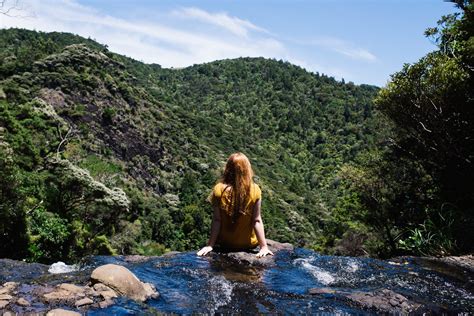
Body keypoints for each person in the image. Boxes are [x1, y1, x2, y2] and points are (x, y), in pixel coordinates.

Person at [197, 152, 273, 258]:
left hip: (225, 244)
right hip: (248, 245)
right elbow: (256, 220)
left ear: (228, 169)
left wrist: (210, 245)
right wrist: (264, 247)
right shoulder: (255, 190)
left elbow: (217, 220)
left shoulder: (218, 189)